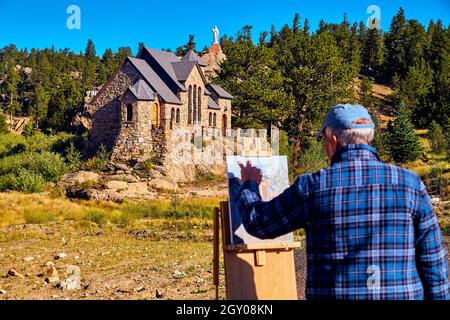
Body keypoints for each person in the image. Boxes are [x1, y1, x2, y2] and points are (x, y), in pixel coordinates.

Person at [237, 103, 449, 300]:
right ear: (369, 138)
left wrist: (249, 185)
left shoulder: (311, 187)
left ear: (333, 141)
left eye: (324, 141)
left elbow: (259, 223)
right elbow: (433, 261)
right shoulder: (411, 184)